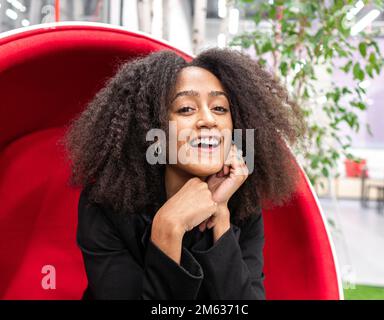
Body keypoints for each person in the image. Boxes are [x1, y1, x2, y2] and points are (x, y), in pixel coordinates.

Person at [61, 47, 306, 300]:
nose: (209, 120)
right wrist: (168, 229)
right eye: (186, 109)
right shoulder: (106, 206)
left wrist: (219, 218)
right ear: (153, 127)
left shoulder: (243, 207)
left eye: (220, 108)